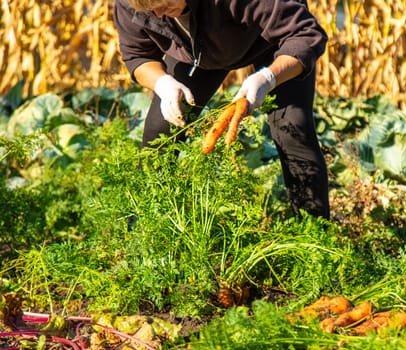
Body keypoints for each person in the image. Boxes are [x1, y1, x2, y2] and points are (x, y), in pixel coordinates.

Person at [113, 0, 330, 219]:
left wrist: (268, 78)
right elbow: (137, 55)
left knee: (293, 130)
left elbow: (305, 35)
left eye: (163, 3)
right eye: (149, 10)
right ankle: (141, 228)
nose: (158, 14)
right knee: (159, 131)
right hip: (197, 51)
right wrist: (162, 84)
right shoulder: (132, 3)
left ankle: (314, 231)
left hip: (272, 41)